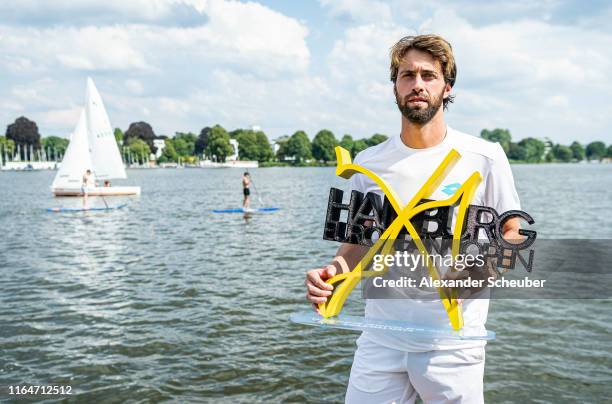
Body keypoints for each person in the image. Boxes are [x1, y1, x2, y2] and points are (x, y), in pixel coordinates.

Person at [305, 34, 523, 404]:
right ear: (395, 86)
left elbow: (513, 232)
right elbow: (358, 242)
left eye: (428, 75)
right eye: (407, 75)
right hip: (379, 337)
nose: (417, 84)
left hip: (453, 344)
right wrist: (331, 274)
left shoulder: (484, 157)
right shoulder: (368, 162)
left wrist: (480, 272)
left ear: (447, 86)